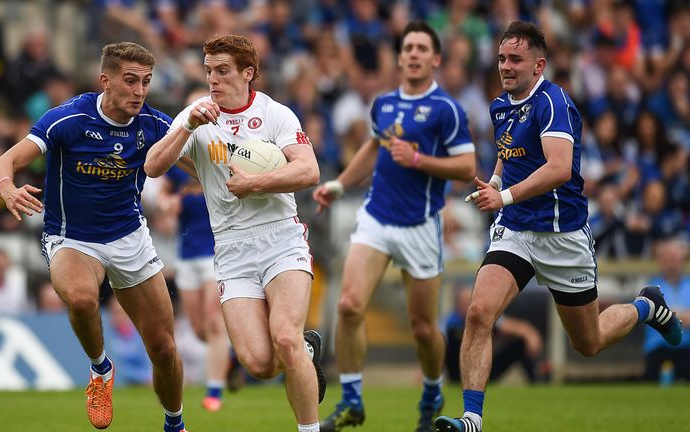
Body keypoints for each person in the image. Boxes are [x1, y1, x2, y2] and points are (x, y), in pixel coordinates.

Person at [434, 21, 684, 432]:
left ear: (539, 65)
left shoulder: (554, 102)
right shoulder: (500, 107)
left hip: (563, 237)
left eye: (516, 59)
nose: (506, 66)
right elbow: (507, 152)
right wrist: (496, 182)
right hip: (516, 230)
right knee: (478, 312)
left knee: (588, 343)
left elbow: (559, 168)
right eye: (501, 58)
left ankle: (646, 307)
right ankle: (471, 419)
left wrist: (506, 195)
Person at [0, 42, 189, 432]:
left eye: (146, 82)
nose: (139, 91)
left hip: (130, 237)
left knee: (164, 348)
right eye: (130, 81)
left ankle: (175, 424)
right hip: (72, 238)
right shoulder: (68, 119)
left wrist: (243, 182)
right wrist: (8, 188)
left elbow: (200, 166)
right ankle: (101, 370)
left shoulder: (154, 125)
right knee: (81, 298)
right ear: (105, 81)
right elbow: (3, 162)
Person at [144, 34, 326, 432]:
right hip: (231, 249)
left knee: (285, 337)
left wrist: (256, 184)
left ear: (248, 73)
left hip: (280, 237)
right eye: (208, 70)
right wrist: (186, 126)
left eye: (223, 70)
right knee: (259, 364)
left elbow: (309, 171)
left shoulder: (276, 114)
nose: (213, 79)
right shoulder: (196, 115)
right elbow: (153, 165)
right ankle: (306, 351)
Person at [312, 22, 476, 432]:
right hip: (376, 218)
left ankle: (433, 390)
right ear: (400, 57)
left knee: (423, 329)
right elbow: (373, 147)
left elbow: (468, 167)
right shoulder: (384, 104)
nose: (415, 54)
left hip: (420, 227)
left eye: (423, 47)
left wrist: (419, 160)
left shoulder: (447, 110)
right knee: (349, 306)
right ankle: (351, 400)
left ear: (435, 59)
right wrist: (339, 184)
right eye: (409, 47)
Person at [161, 165, 233, 411]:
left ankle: (214, 391)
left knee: (214, 322)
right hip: (186, 255)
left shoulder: (219, 162)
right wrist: (167, 205)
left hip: (216, 252)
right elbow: (164, 195)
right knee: (200, 329)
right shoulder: (178, 166)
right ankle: (231, 359)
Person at [444, 284, 543, 383]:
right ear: (457, 305)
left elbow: (513, 327)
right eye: (465, 303)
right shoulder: (449, 323)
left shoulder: (484, 317)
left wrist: (530, 334)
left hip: (485, 370)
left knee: (520, 343)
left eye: (471, 302)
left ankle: (535, 383)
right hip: (459, 375)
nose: (469, 306)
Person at [642, 237, 690, 382]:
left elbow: (666, 316)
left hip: (686, 348)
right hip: (659, 347)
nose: (672, 263)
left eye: (675, 258)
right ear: (660, 261)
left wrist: (672, 316)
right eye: (668, 259)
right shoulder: (651, 287)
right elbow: (657, 317)